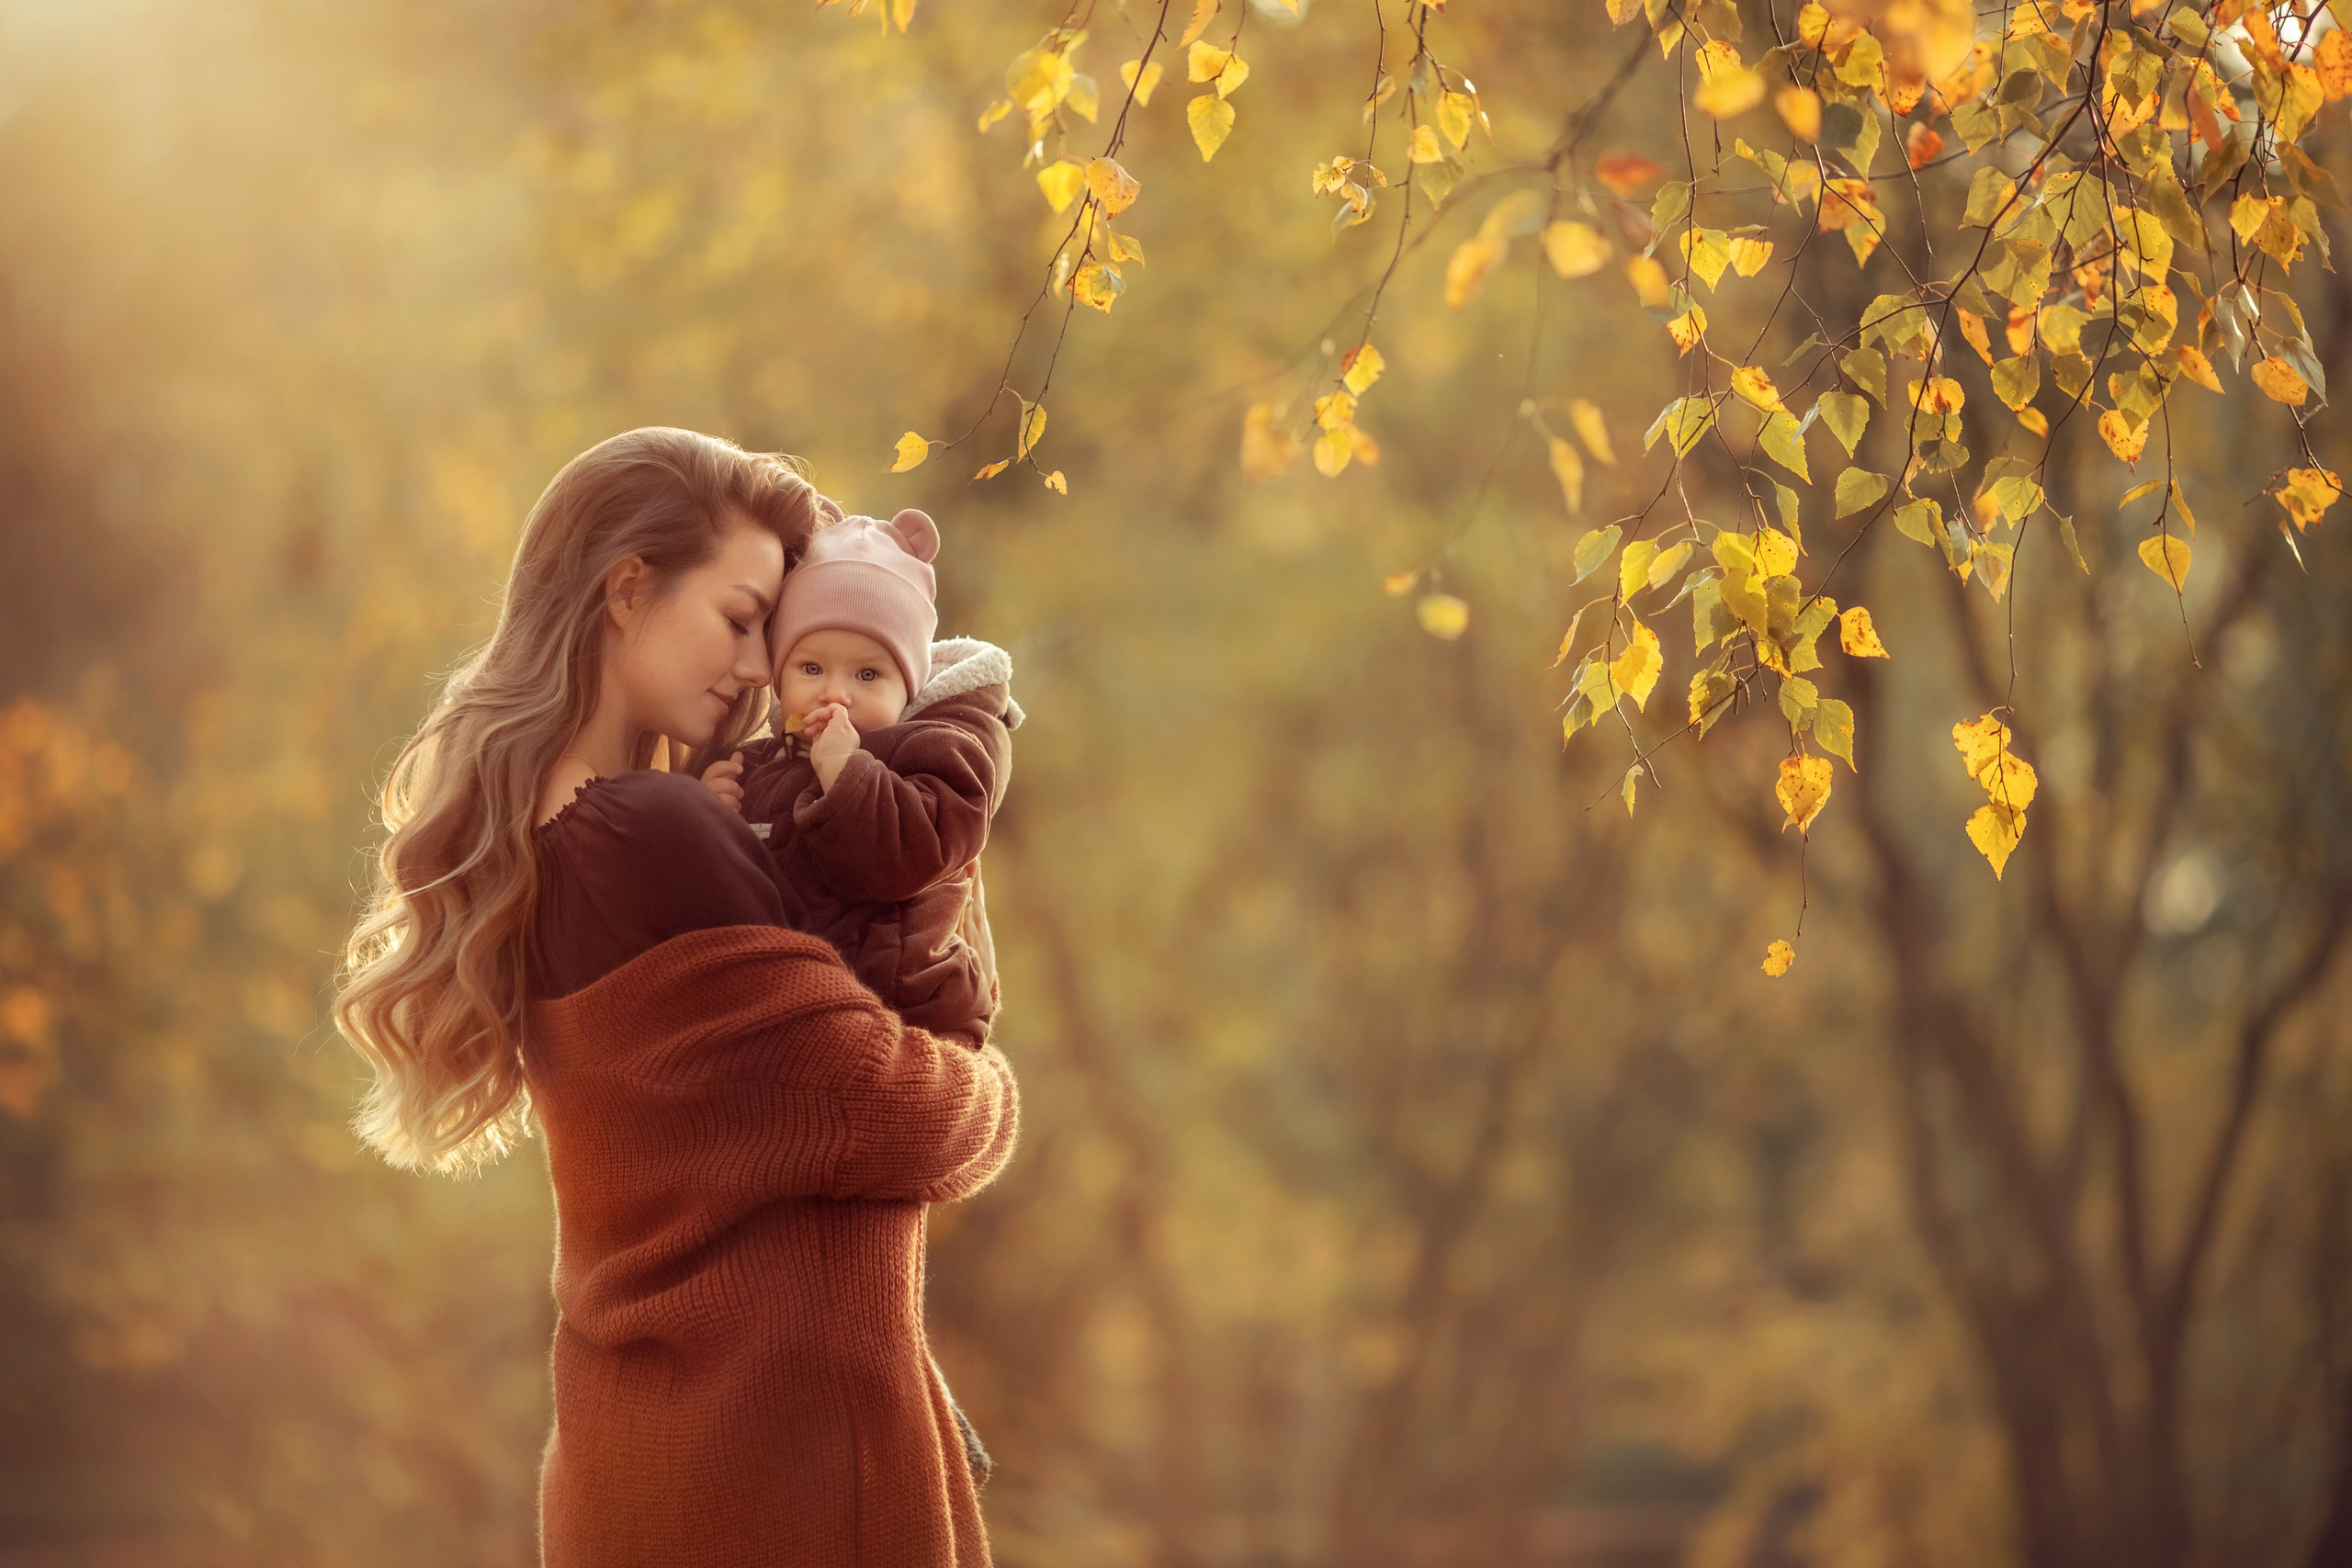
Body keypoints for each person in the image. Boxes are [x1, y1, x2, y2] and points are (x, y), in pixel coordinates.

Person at [334, 426, 1017, 1567]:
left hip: (660, 1449)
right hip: (775, 1474)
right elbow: (889, 1111)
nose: (759, 669)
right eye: (742, 619)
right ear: (627, 589)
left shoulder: (578, 830)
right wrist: (984, 1074)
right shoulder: (654, 832)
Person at [700, 505, 1019, 1047]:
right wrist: (713, 820)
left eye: (867, 674)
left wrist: (849, 773)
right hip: (790, 1013)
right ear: (779, 676)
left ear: (908, 688)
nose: (835, 693)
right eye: (811, 668)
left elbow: (909, 858)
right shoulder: (761, 765)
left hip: (911, 1009)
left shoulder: (939, 752)